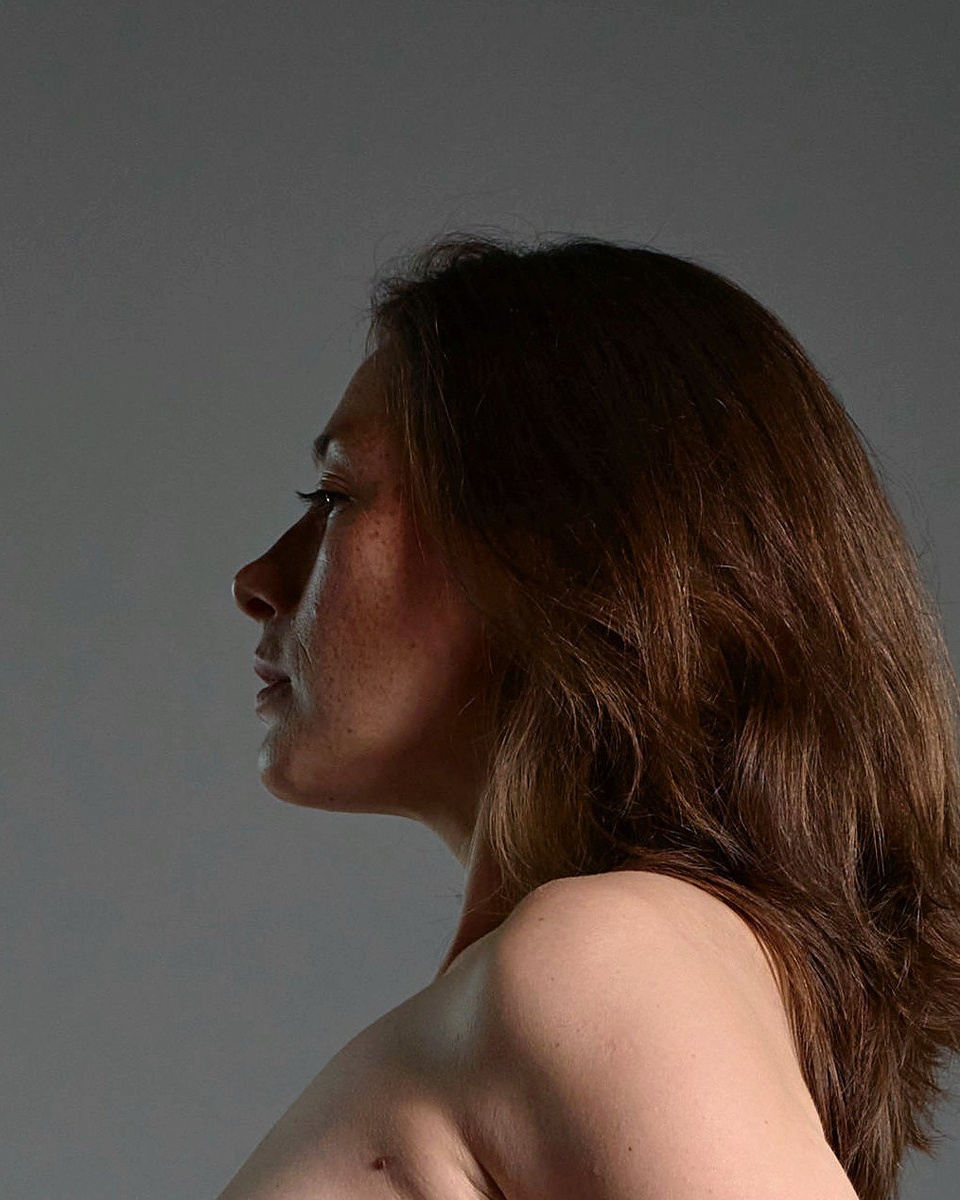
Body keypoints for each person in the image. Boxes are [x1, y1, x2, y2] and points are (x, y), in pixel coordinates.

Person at [224, 232, 960, 1200]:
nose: (257, 580)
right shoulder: (605, 974)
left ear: (557, 552)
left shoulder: (602, 962)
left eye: (334, 496)